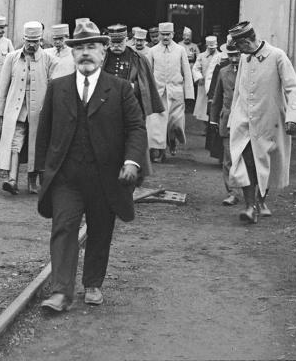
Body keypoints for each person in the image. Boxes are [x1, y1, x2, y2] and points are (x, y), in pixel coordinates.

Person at [35, 18, 146, 312]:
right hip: (66, 178)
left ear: (103, 52)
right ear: (72, 54)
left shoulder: (120, 89)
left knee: (100, 229)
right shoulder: (57, 87)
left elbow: (136, 128)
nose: (85, 53)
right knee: (63, 227)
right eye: (80, 48)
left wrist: (132, 161)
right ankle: (60, 292)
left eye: (92, 47)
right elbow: (44, 131)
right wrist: (39, 169)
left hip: (104, 177)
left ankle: (93, 283)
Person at [227, 21, 296, 224]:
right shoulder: (245, 58)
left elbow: (293, 88)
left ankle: (260, 201)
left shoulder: (277, 56)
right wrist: (232, 118)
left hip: (269, 121)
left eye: (239, 45)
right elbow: (238, 90)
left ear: (246, 41)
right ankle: (250, 207)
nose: (239, 51)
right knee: (245, 161)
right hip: (244, 121)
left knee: (264, 162)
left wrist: (293, 118)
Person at [0, 22, 52, 195]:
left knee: (36, 144)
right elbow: (3, 87)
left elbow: (52, 87)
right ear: (23, 39)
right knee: (15, 143)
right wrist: (0, 112)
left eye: (35, 41)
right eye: (29, 41)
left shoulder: (48, 59)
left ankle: (31, 183)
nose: (32, 44)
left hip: (38, 110)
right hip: (17, 109)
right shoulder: (12, 57)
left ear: (41, 40)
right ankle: (12, 180)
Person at [103, 24, 164, 172]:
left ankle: (133, 170)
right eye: (113, 43)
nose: (116, 46)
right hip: (106, 107)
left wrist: (133, 87)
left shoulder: (138, 58)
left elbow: (146, 82)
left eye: (120, 43)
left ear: (127, 40)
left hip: (131, 106)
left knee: (132, 140)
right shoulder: (102, 57)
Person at [146, 22, 194, 162]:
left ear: (173, 34)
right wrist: (148, 92)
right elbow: (148, 73)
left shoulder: (180, 50)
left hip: (175, 91)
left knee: (175, 123)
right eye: (163, 34)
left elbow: (186, 71)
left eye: (168, 34)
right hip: (158, 92)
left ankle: (172, 140)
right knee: (157, 124)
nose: (165, 37)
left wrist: (189, 94)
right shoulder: (152, 51)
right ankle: (159, 152)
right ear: (159, 35)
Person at [209, 41, 243, 206]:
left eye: (237, 54)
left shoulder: (249, 71)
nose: (235, 58)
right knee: (228, 159)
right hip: (227, 120)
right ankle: (232, 192)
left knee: (246, 158)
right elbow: (217, 98)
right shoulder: (223, 72)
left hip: (246, 121)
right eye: (231, 55)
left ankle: (252, 192)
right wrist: (214, 119)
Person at [192, 35, 220, 123]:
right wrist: (199, 77)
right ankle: (205, 124)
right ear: (206, 46)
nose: (212, 49)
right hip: (203, 84)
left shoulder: (220, 56)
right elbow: (196, 68)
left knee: (214, 103)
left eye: (214, 48)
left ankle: (213, 122)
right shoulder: (201, 56)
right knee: (203, 106)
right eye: (210, 48)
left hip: (215, 83)